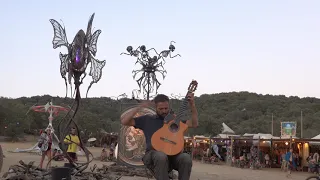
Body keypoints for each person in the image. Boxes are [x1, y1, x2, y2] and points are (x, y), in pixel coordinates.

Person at [121, 93, 198, 180]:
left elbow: (194, 124)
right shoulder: (147, 119)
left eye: (166, 108)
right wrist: (139, 107)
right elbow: (124, 121)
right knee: (161, 156)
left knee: (186, 158)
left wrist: (192, 105)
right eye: (161, 109)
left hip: (172, 156)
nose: (164, 111)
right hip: (153, 155)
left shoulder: (174, 121)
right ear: (155, 107)